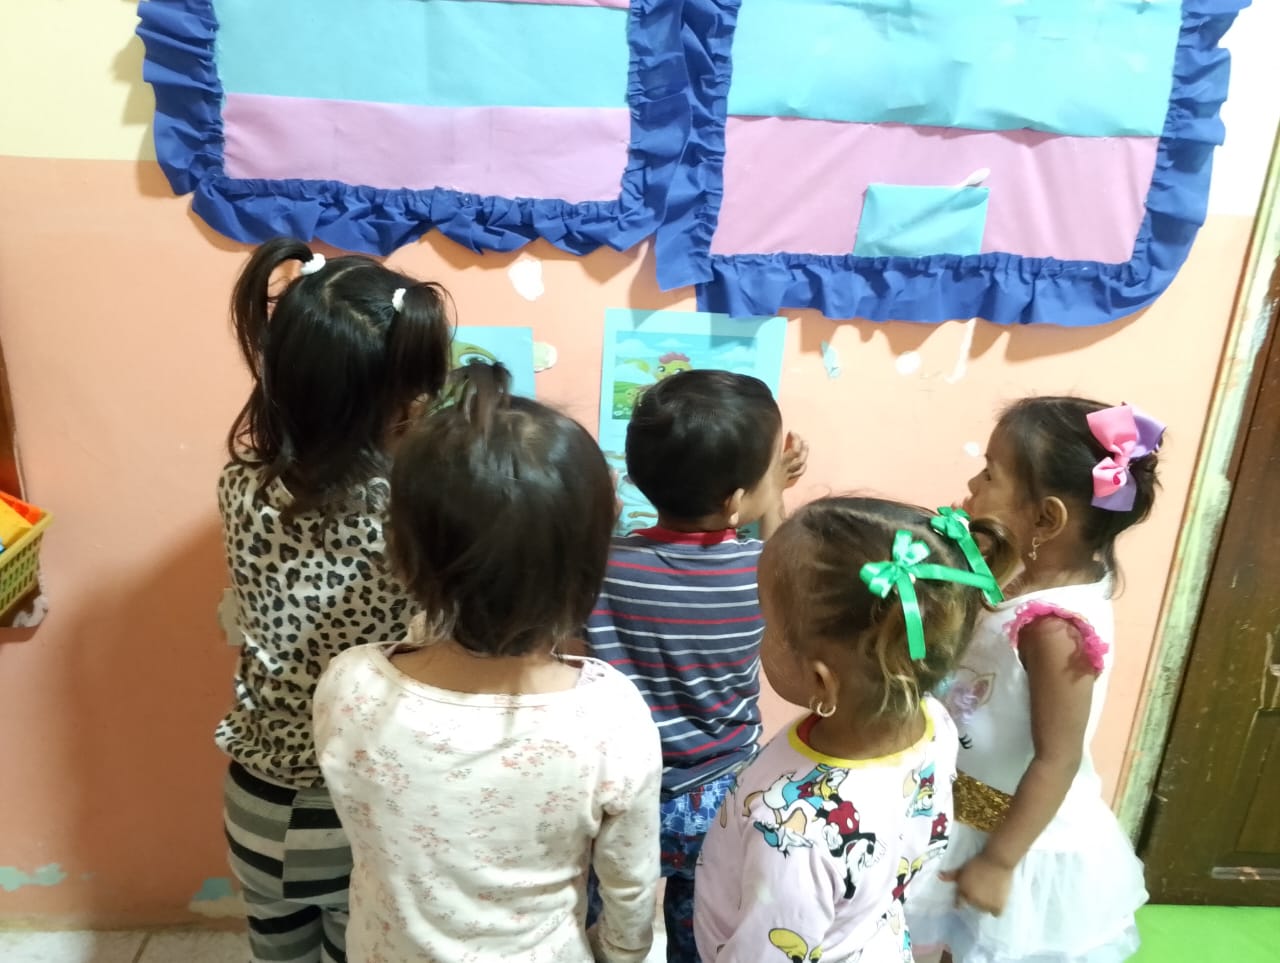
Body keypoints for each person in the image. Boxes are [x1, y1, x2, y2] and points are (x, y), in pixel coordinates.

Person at [314, 363, 663, 963]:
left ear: (403, 553)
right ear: (588, 561)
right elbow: (630, 885)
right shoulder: (610, 716)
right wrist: (620, 954)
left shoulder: (351, 685)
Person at [215, 238, 454, 963]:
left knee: (277, 948)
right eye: (418, 390)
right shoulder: (406, 509)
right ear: (395, 403)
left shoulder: (238, 485)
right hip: (352, 806)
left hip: (252, 800)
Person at [695, 497, 1013, 962]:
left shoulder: (795, 835)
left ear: (821, 682)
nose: (762, 635)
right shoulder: (933, 721)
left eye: (768, 621)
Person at [909, 397, 1164, 963]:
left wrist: (1000, 861)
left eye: (990, 473)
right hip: (961, 812)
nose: (972, 484)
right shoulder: (1018, 575)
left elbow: (1058, 758)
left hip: (1018, 837)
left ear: (1046, 520)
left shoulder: (1054, 628)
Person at [584, 369, 807, 961]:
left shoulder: (600, 567)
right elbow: (787, 562)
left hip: (619, 795)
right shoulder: (761, 572)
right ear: (736, 501)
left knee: (597, 922)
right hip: (718, 797)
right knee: (702, 934)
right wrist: (775, 500)